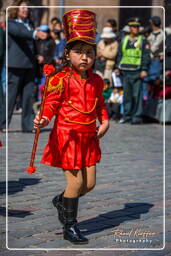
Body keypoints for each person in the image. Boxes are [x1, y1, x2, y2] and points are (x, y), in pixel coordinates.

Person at [33, 9, 109, 244]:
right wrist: (44, 118)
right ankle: (70, 226)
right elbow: (50, 105)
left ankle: (62, 200)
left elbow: (100, 105)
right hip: (67, 138)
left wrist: (105, 121)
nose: (85, 57)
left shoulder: (96, 80)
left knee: (89, 184)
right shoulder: (60, 79)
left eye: (89, 53)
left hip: (89, 137)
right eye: (78, 52)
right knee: (75, 183)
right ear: (67, 54)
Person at [0, 0, 45, 133]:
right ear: (16, 9)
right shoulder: (11, 23)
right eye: (23, 8)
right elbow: (20, 33)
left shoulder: (30, 24)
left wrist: (38, 55)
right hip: (15, 64)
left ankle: (28, 126)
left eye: (27, 8)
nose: (26, 10)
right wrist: (34, 34)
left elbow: (32, 44)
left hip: (30, 65)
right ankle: (3, 124)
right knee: (11, 96)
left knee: (28, 96)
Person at [115, 17, 150, 124]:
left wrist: (144, 69)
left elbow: (145, 56)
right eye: (134, 26)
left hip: (137, 71)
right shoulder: (124, 39)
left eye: (137, 27)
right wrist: (117, 67)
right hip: (125, 71)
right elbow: (120, 54)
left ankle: (137, 117)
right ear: (130, 28)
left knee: (137, 96)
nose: (136, 28)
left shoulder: (143, 40)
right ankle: (127, 116)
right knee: (127, 96)